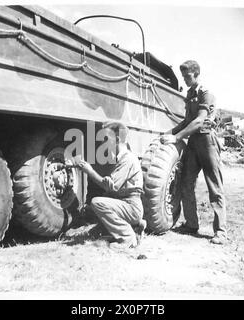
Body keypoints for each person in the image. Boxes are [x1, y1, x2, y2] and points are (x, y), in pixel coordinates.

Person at [160, 60, 227, 245]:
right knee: (186, 182)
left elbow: (198, 121)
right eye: (182, 76)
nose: (184, 79)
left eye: (186, 76)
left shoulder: (206, 93)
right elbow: (187, 122)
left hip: (207, 142)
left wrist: (177, 137)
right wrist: (169, 133)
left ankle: (221, 231)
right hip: (194, 142)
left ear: (196, 73)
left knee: (214, 185)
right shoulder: (190, 94)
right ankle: (191, 224)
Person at [76, 121, 146, 249]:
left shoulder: (128, 159)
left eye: (106, 139)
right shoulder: (121, 158)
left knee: (97, 203)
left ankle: (128, 237)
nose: (102, 144)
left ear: (118, 139)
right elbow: (111, 187)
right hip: (125, 204)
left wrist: (89, 171)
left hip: (131, 206)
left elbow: (109, 187)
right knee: (96, 233)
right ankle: (136, 225)